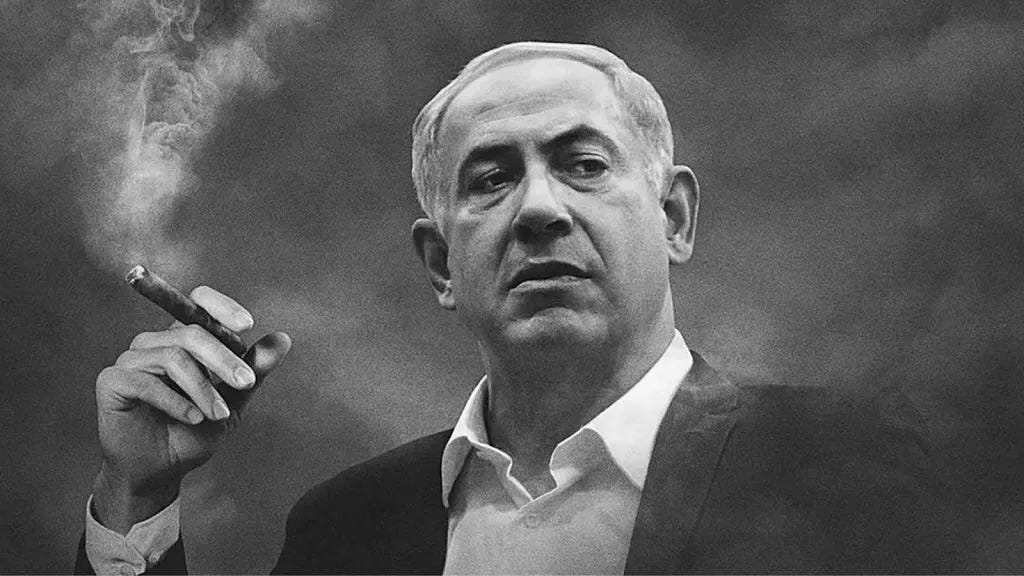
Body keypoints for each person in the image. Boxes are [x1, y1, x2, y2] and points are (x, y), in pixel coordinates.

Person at [76, 42, 954, 574]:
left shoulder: (845, 467)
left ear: (675, 219)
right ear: (440, 265)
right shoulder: (346, 528)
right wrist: (137, 494)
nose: (539, 209)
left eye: (584, 165)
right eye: (492, 178)